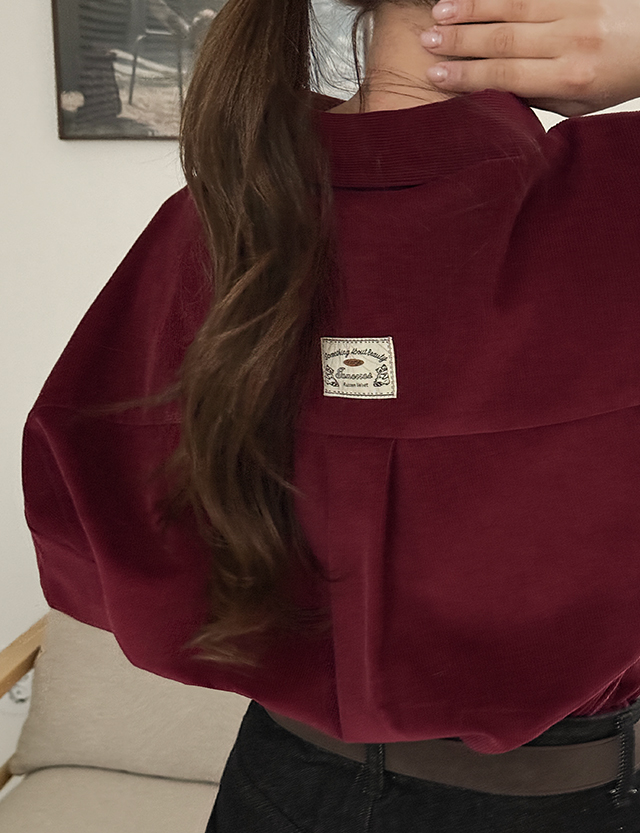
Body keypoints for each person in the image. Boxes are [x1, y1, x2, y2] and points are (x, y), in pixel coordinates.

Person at [21, 0, 640, 830]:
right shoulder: (619, 196)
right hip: (563, 799)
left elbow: (83, 516)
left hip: (279, 786)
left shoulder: (203, 224)